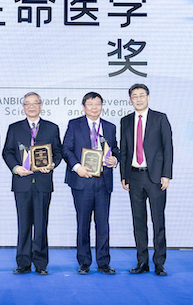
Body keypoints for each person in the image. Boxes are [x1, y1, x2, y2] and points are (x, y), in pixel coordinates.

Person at [2, 92, 63, 275]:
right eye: (27, 103)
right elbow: (7, 152)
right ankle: (23, 263)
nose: (31, 106)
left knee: (41, 225)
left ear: (41, 105)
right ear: (23, 107)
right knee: (23, 225)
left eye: (35, 103)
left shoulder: (52, 128)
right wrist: (15, 168)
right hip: (22, 183)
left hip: (43, 183)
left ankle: (41, 264)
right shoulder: (14, 128)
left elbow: (58, 152)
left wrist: (52, 164)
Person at [63, 92, 119, 275]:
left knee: (103, 224)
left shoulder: (109, 127)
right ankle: (84, 262)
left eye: (98, 104)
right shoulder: (74, 124)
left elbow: (116, 149)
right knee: (83, 223)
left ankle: (104, 263)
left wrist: (115, 160)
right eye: (90, 104)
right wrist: (77, 167)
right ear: (84, 107)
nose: (95, 108)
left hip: (103, 181)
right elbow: (66, 149)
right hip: (82, 181)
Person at [120, 84, 173, 276]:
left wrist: (166, 174)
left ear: (148, 97)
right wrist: (124, 176)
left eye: (142, 95)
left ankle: (159, 263)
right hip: (134, 176)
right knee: (138, 221)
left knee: (158, 220)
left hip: (155, 177)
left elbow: (168, 148)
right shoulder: (125, 121)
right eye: (134, 96)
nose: (138, 99)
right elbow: (124, 150)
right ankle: (142, 262)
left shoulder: (160, 118)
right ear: (130, 100)